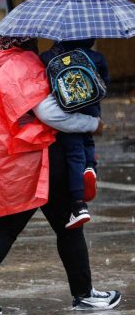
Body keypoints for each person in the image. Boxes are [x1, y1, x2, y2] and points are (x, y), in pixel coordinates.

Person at [0, 33, 121, 315]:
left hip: (7, 159)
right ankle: (83, 294)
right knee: (68, 226)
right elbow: (49, 114)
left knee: (8, 227)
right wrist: (91, 123)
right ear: (26, 41)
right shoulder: (24, 65)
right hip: (34, 160)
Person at [40, 39, 110, 229]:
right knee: (88, 144)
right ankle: (91, 168)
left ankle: (79, 204)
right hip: (91, 110)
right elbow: (105, 85)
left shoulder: (48, 57)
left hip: (67, 111)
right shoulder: (96, 57)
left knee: (73, 155)